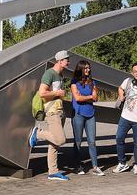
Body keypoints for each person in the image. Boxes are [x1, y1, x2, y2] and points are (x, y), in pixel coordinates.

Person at [28, 51, 70, 181]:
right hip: (52, 112)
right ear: (60, 61)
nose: (68, 62)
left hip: (59, 111)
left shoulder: (60, 75)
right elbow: (42, 93)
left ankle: (53, 172)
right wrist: (57, 92)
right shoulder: (49, 74)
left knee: (54, 144)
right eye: (67, 60)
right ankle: (38, 134)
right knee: (61, 139)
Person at [114, 63, 137, 174]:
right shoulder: (128, 81)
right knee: (119, 139)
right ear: (132, 73)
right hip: (125, 117)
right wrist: (121, 96)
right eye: (135, 71)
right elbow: (120, 88)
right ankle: (122, 163)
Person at [71, 60, 103, 176]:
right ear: (80, 69)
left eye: (88, 68)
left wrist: (85, 96)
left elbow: (96, 98)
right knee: (78, 141)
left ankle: (95, 166)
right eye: (85, 68)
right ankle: (77, 166)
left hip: (90, 114)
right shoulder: (74, 82)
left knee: (92, 141)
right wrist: (89, 96)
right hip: (78, 114)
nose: (88, 70)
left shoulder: (92, 82)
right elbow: (77, 98)